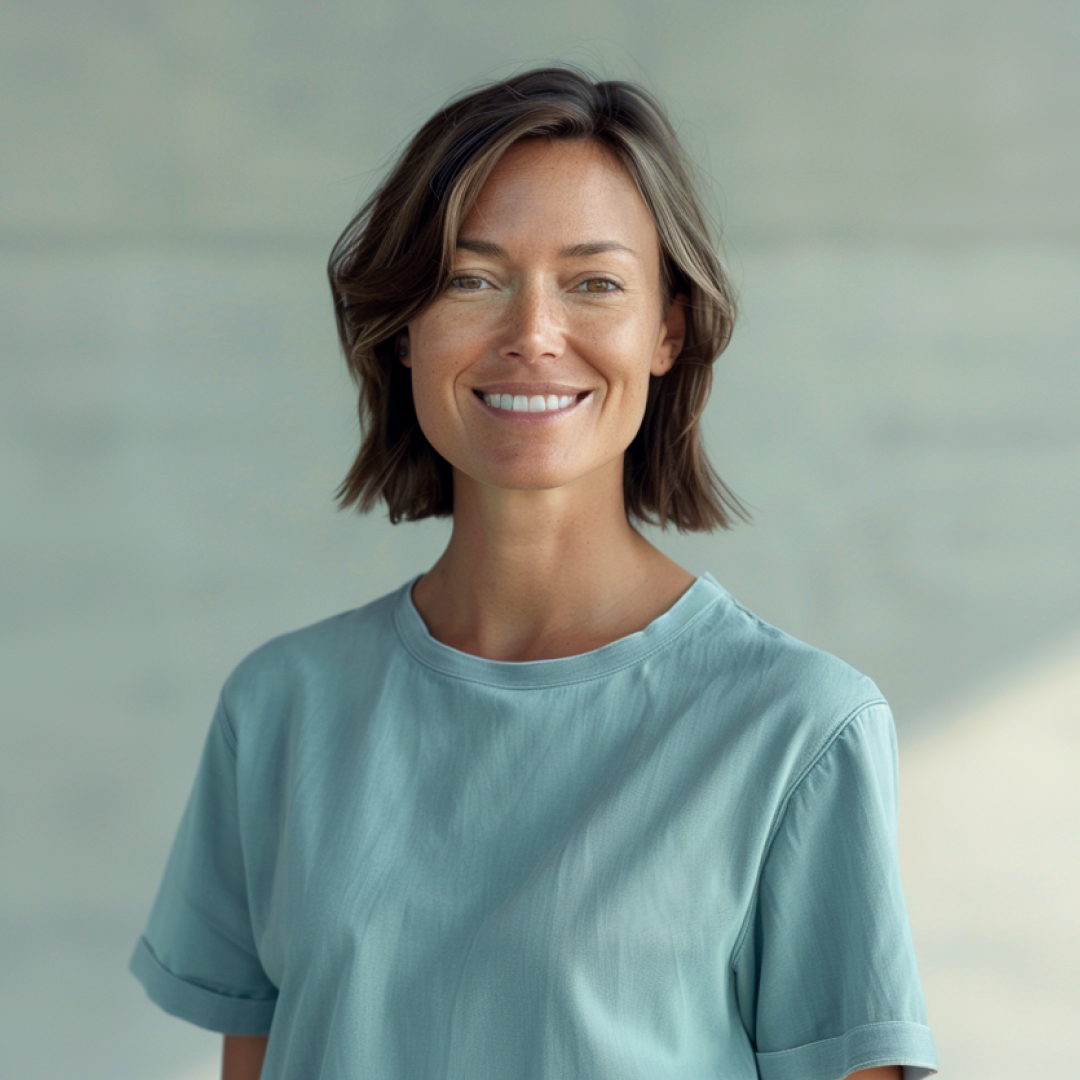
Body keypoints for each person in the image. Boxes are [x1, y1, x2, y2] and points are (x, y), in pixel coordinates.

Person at [129, 66, 938, 1080]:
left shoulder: (799, 730)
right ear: (405, 327)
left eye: (594, 282)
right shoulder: (281, 710)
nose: (532, 335)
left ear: (666, 331)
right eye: (472, 278)